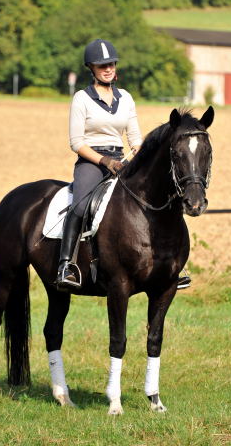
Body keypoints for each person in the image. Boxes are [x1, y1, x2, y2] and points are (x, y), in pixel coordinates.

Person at [56, 38, 142, 290]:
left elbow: (136, 140)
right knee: (81, 206)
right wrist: (104, 161)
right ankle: (65, 265)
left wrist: (136, 156)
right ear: (91, 68)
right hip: (92, 161)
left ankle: (169, 265)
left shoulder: (126, 98)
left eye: (111, 64)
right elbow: (76, 142)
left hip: (122, 160)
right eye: (101, 65)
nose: (108, 69)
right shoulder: (81, 98)